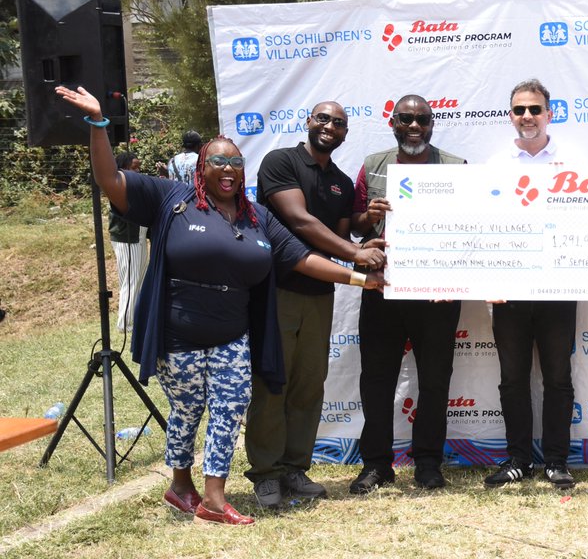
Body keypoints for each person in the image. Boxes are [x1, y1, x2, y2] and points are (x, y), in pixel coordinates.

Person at [55, 84, 382, 526]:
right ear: (201, 167)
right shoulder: (172, 199)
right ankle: (180, 485)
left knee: (229, 407)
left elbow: (303, 258)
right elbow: (110, 180)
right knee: (188, 411)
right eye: (218, 162)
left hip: (232, 333)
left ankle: (213, 497)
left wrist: (363, 278)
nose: (228, 170)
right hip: (180, 333)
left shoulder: (256, 215)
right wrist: (98, 124)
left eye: (235, 163)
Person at [244, 102, 386, 508]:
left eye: (339, 123)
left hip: (319, 296)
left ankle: (294, 467)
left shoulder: (341, 182)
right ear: (308, 122)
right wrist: (356, 255)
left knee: (309, 384)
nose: (330, 127)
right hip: (277, 291)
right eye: (323, 119)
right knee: (273, 382)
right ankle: (266, 472)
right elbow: (300, 220)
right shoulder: (280, 162)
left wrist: (362, 235)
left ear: (344, 134)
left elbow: (339, 240)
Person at [348, 94, 467, 494]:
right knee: (377, 379)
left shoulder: (456, 168)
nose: (414, 126)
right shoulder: (372, 166)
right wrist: (371, 217)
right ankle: (377, 464)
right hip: (383, 287)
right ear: (393, 123)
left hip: (437, 293)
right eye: (406, 119)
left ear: (432, 124)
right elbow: (354, 226)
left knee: (435, 380)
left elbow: (470, 229)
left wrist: (454, 279)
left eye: (422, 119)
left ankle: (429, 463)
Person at [483, 79, 579, 490]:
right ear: (511, 116)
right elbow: (481, 228)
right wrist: (488, 278)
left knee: (558, 378)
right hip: (510, 291)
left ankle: (556, 460)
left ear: (549, 113)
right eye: (520, 110)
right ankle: (519, 458)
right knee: (512, 379)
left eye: (535, 109)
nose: (527, 117)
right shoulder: (494, 165)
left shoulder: (574, 163)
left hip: (559, 290)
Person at [110, 151, 150, 333]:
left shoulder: (132, 184)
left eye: (139, 167)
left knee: (136, 279)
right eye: (135, 168)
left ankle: (133, 318)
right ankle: (125, 323)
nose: (138, 171)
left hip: (138, 237)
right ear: (123, 168)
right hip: (128, 239)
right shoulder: (119, 185)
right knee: (130, 280)